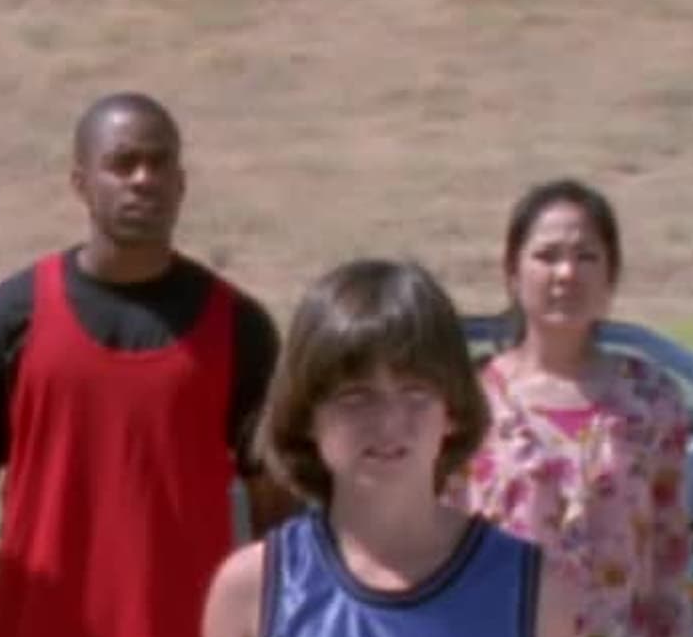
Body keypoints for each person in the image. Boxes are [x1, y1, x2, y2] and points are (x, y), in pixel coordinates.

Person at [0, 92, 286, 637]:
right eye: (122, 163)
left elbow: (276, 506)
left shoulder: (239, 329)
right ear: (81, 183)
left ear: (181, 184)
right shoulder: (9, 319)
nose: (143, 179)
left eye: (159, 163)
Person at [202, 258, 581, 637]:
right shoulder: (255, 590)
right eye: (356, 396)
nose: (389, 422)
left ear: (452, 410)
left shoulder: (531, 592)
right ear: (306, 417)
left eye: (415, 393)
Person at [454, 178, 693, 636]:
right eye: (547, 256)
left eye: (586, 257)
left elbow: (669, 551)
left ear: (610, 276)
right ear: (512, 272)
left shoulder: (652, 400)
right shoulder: (466, 401)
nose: (566, 273)